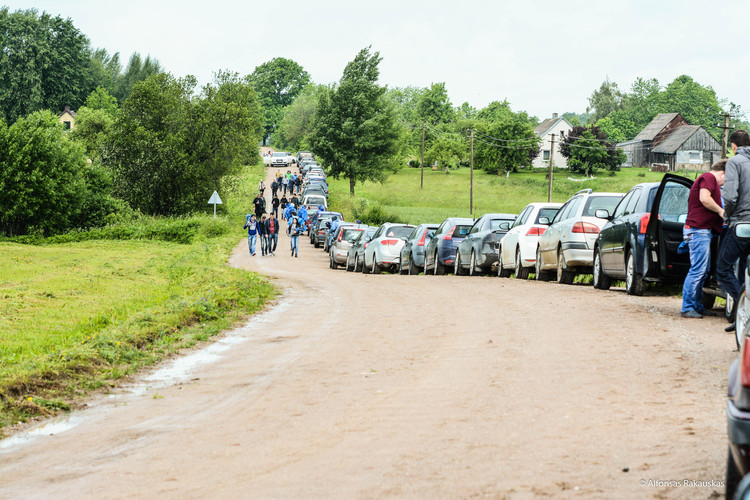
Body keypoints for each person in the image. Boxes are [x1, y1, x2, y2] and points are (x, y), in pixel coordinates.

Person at [681, 160, 726, 318]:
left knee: (702, 270)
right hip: (698, 230)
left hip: (700, 230)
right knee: (697, 270)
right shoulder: (708, 178)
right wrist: (721, 212)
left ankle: (697, 306)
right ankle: (687, 307)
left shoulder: (710, 180)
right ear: (723, 173)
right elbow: (704, 199)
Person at [718, 130, 750, 319]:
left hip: (741, 224)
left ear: (733, 146)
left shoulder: (735, 162)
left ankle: (742, 310)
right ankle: (739, 319)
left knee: (723, 268)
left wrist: (726, 215)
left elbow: (730, 197)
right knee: (743, 270)